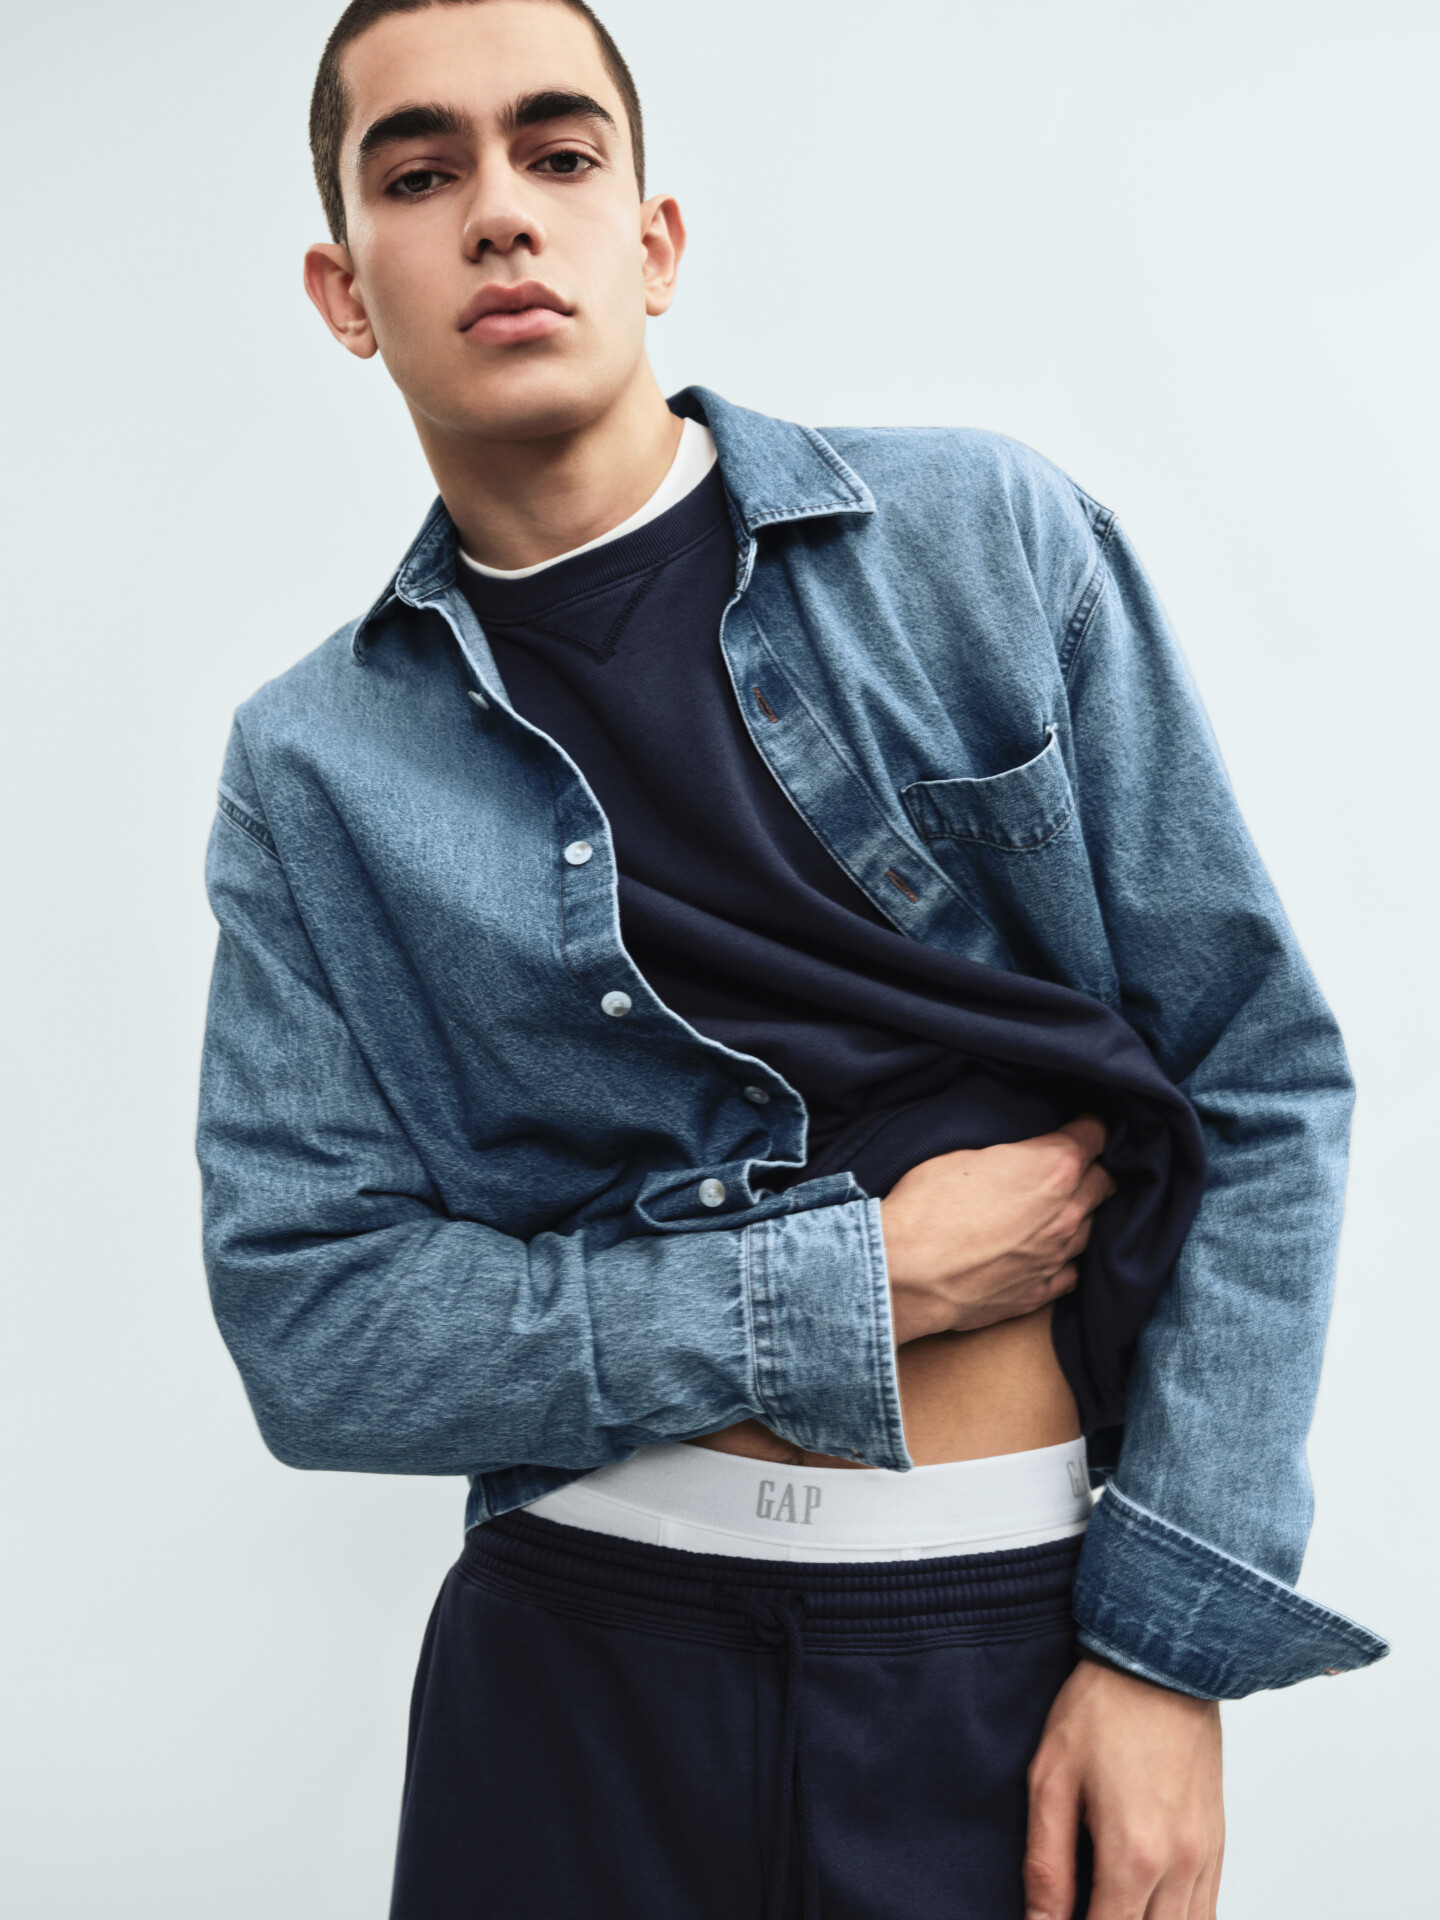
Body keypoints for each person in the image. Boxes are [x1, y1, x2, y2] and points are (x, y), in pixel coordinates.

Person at [196, 2, 1387, 1914]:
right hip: (570, 1668)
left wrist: (1171, 1651)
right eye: (419, 174)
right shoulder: (314, 766)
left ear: (654, 239)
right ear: (347, 291)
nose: (499, 212)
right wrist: (854, 1290)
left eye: (559, 154)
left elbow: (1258, 1076)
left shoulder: (984, 542)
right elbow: (316, 1333)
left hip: (990, 1655)